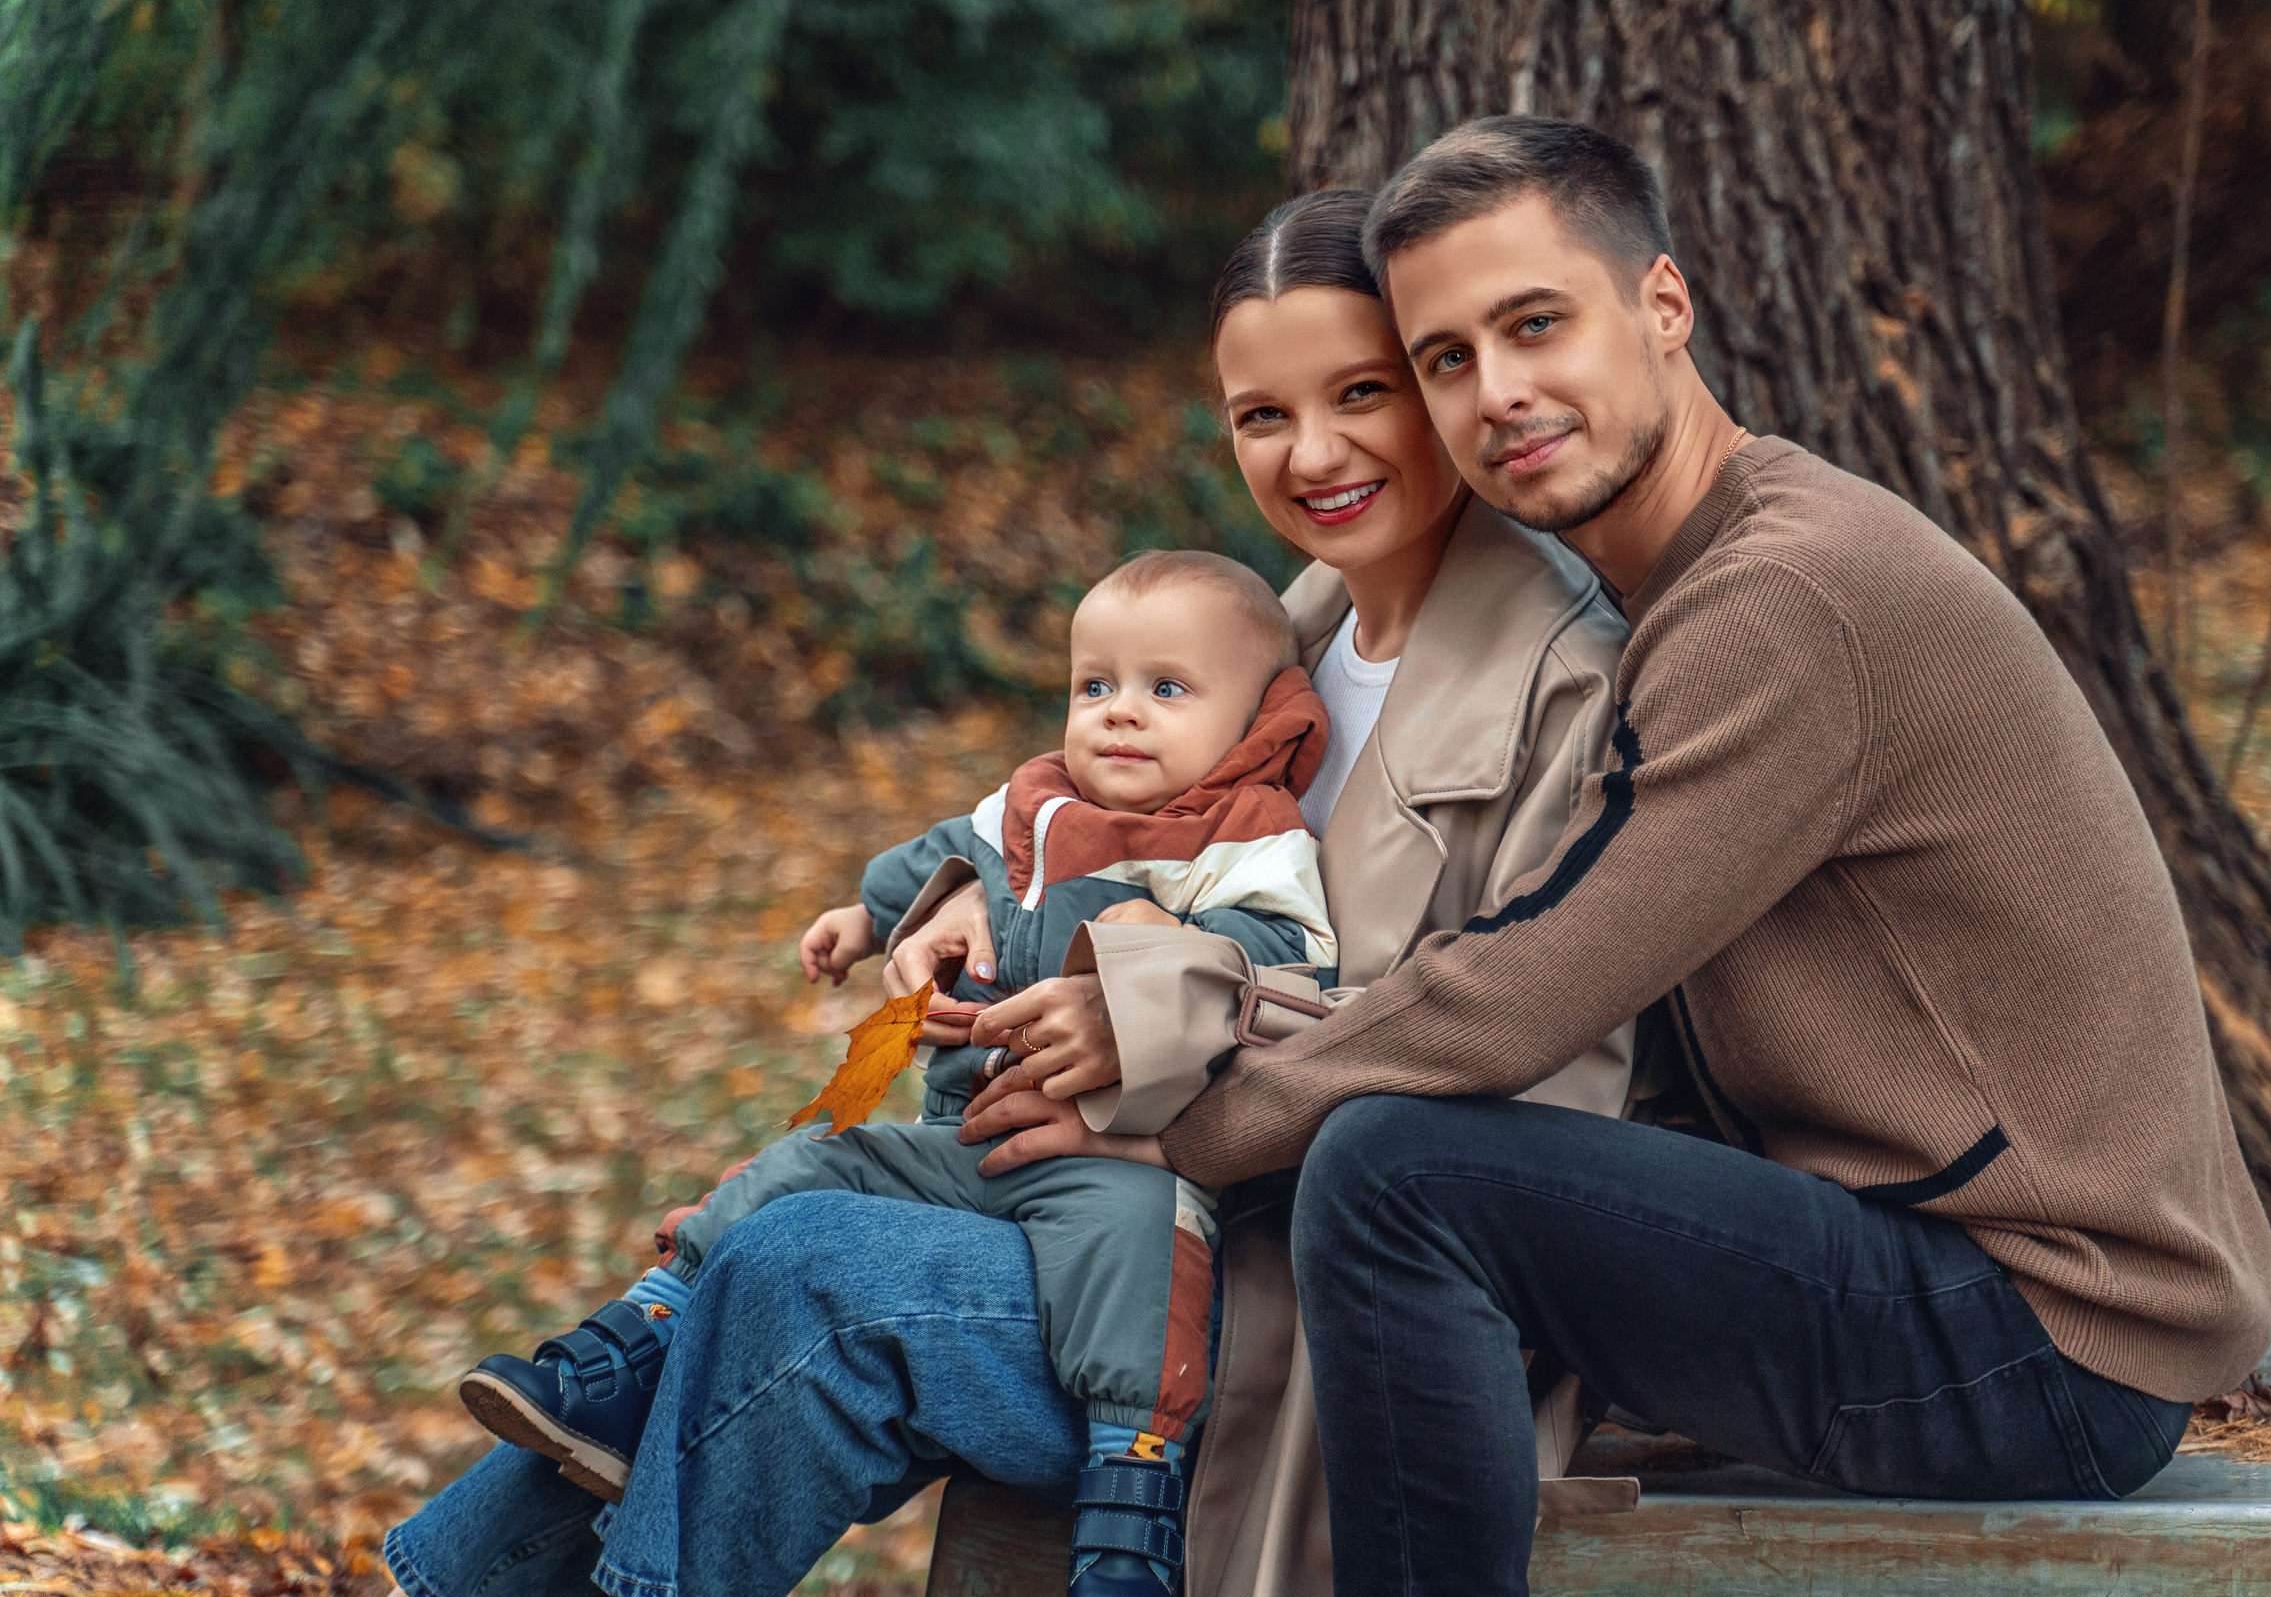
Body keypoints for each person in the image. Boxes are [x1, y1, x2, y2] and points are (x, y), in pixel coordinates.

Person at [978, 115, 2271, 1597]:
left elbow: (1526, 985)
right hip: (1934, 1266)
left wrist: (1180, 1129)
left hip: (2040, 1335)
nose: (1500, 394)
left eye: (1537, 325)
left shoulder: (1784, 600)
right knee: (1409, 1160)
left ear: (1663, 306)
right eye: (1448, 360)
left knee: (1399, 1175)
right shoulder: (1690, 577)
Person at [381, 186, 1633, 1597]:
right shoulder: (1277, 634)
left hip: (1280, 1298)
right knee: (779, 1234)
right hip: (1064, 1197)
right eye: (1261, 414)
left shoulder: (1560, 675)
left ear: (1441, 383)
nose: (1316, 451)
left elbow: (1525, 1087)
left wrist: (1164, 1045)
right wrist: (966, 899)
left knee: (814, 1279)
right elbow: (1088, 830)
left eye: (1364, 391)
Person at [454, 551, 1331, 1597]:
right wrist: (872, 916)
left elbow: (1282, 959)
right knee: (809, 1163)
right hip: (962, 1140)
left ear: (1257, 724)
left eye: (1166, 690)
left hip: (1113, 1151)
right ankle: (628, 1341)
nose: (1118, 715)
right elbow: (938, 854)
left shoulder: (1245, 838)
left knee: (1140, 1266)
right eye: (1094, 686)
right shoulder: (1035, 807)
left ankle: (1126, 1494)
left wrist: (1171, 942)